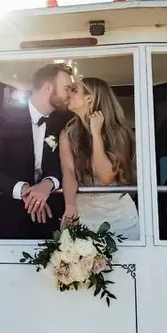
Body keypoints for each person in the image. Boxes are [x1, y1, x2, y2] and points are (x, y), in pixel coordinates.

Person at [0, 63, 74, 239]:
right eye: (66, 89)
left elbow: (68, 164)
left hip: (51, 220)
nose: (69, 95)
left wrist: (49, 183)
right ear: (49, 88)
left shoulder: (65, 120)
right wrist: (25, 190)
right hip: (9, 221)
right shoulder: (5, 118)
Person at [60, 77, 140, 240]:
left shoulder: (119, 132)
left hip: (119, 216)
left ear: (89, 98)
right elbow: (68, 172)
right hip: (83, 213)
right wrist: (69, 207)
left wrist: (96, 133)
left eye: (75, 90)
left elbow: (105, 178)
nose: (69, 94)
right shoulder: (68, 133)